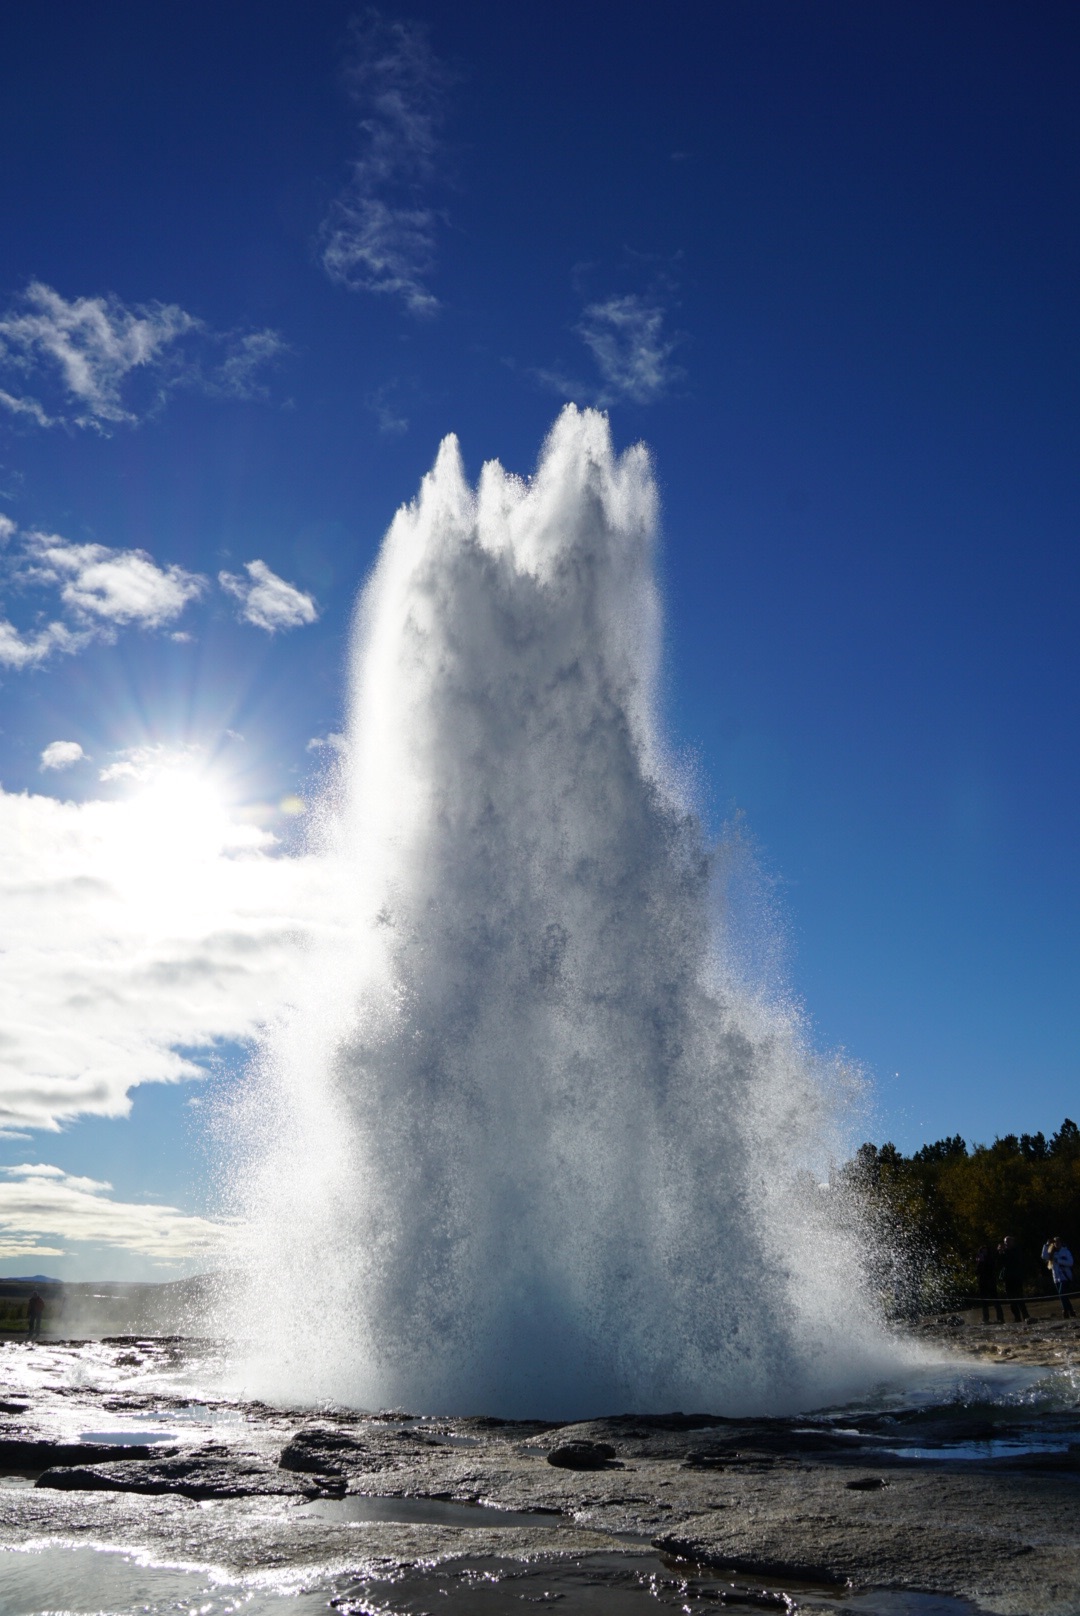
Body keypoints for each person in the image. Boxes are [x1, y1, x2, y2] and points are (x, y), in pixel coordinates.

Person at [1041, 1236, 1076, 1319]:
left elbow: (1070, 1262)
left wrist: (1059, 1261)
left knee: (1062, 1293)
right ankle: (1071, 1311)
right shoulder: (1052, 1252)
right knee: (1064, 1295)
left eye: (1058, 1242)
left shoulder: (1066, 1251)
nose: (1056, 1244)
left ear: (1061, 1243)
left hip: (1065, 1276)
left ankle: (1065, 1311)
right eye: (1055, 1242)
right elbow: (1044, 1256)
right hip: (1056, 1277)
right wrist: (1046, 1245)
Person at [998, 1236, 1029, 1322]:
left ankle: (1025, 1315)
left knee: (1019, 1297)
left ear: (1013, 1242)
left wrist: (1005, 1251)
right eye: (1005, 1242)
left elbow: (1014, 1260)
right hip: (1008, 1278)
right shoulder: (1005, 1252)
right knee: (1011, 1299)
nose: (1006, 1244)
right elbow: (1002, 1263)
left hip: (1016, 1277)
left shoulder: (1017, 1250)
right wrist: (1000, 1253)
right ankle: (1017, 1317)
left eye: (1008, 1242)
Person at [974, 1245, 1004, 1323]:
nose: (984, 1252)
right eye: (982, 1251)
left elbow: (993, 1268)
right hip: (982, 1282)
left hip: (991, 1282)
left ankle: (1000, 1318)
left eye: (985, 1251)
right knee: (984, 1302)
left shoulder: (991, 1258)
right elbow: (977, 1271)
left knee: (995, 1301)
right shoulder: (979, 1259)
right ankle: (986, 1318)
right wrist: (980, 1262)